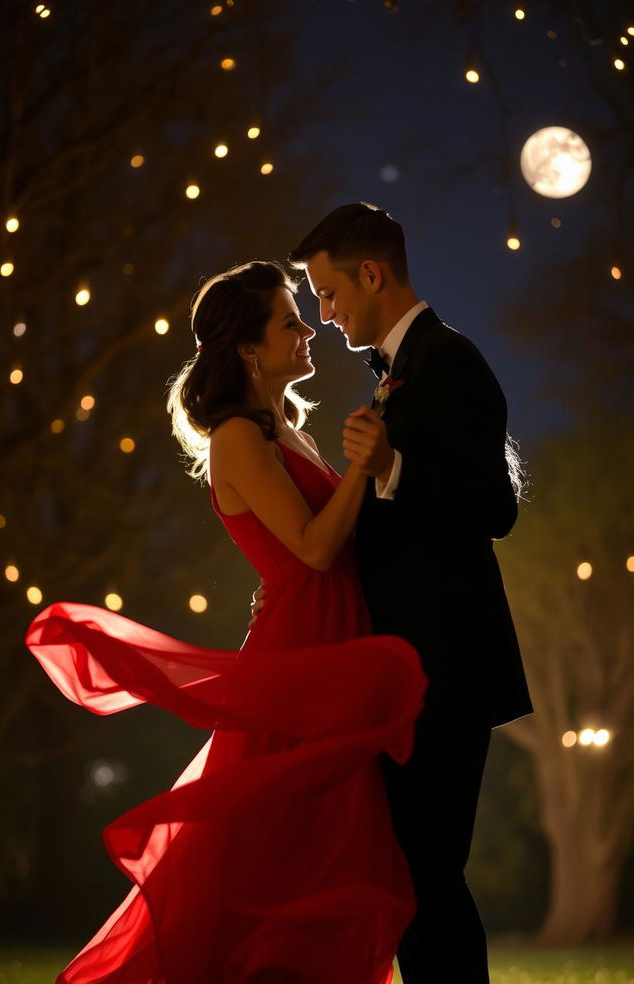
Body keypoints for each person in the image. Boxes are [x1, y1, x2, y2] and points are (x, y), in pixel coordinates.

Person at [25, 259, 426, 984]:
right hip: (300, 657)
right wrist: (363, 468)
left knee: (328, 846)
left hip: (328, 646)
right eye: (287, 322)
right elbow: (311, 549)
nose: (307, 330)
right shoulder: (238, 437)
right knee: (277, 862)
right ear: (247, 347)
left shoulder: (287, 428)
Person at [253, 203, 534, 984]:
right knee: (413, 879)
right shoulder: (398, 375)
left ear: (371, 274)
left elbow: (495, 507)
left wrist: (392, 471)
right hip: (405, 678)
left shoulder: (453, 361)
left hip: (445, 673)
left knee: (427, 879)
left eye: (330, 294)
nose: (327, 314)